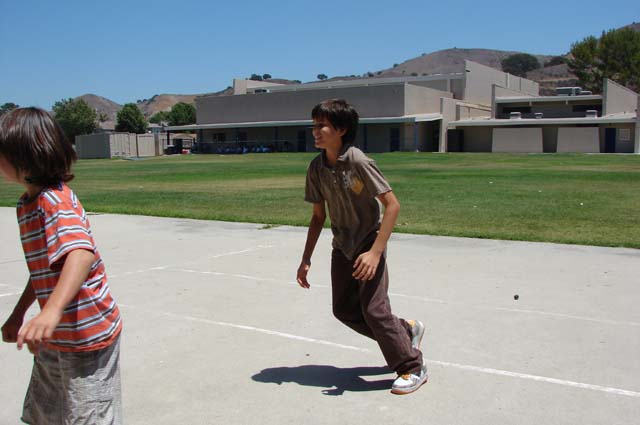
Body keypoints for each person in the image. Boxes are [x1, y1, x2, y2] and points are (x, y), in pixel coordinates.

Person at [0, 108, 123, 424]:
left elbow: (80, 254)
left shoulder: (55, 201)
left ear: (25, 157)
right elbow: (44, 270)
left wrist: (51, 311)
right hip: (55, 336)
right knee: (47, 412)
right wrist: (20, 312)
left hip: (86, 336)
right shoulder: (27, 204)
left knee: (87, 416)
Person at [296, 99, 428, 395]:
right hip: (342, 246)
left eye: (321, 126)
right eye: (313, 125)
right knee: (343, 310)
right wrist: (306, 259)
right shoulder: (316, 168)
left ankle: (412, 366)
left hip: (368, 243)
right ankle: (405, 330)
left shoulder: (357, 161)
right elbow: (318, 216)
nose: (315, 131)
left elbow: (392, 206)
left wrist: (375, 252)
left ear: (341, 129)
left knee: (374, 310)